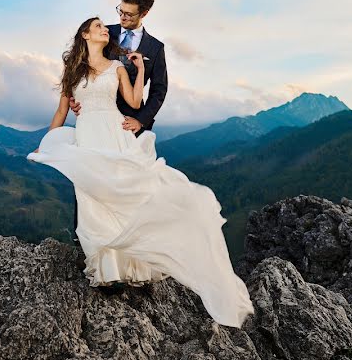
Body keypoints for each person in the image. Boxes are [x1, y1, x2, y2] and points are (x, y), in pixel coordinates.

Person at [27, 16, 254, 328]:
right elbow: (62, 110)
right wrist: (46, 141)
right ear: (84, 34)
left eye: (105, 28)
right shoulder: (72, 72)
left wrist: (142, 70)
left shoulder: (117, 67)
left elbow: (134, 101)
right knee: (94, 197)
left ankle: (130, 268)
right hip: (88, 136)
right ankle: (107, 271)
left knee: (122, 196)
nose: (105, 29)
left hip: (114, 132)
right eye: (98, 27)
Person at [68, 0, 167, 252]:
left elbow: (159, 90)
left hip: (130, 124)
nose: (122, 18)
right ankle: (84, 245)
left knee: (126, 188)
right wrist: (79, 98)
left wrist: (141, 119)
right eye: (120, 11)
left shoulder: (155, 48)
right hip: (95, 122)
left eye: (129, 14)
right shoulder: (103, 32)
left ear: (144, 14)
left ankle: (128, 248)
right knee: (89, 179)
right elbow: (79, 68)